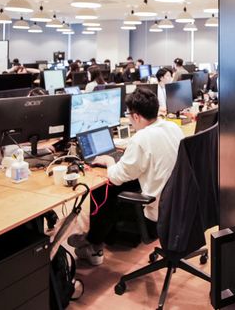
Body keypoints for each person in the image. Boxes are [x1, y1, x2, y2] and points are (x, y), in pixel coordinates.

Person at [68, 88, 183, 265]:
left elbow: (116, 177)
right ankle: (95, 239)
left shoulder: (142, 139)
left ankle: (94, 244)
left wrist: (109, 161)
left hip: (159, 213)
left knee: (104, 188)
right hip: (179, 205)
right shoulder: (172, 127)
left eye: (129, 115)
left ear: (136, 116)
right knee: (120, 185)